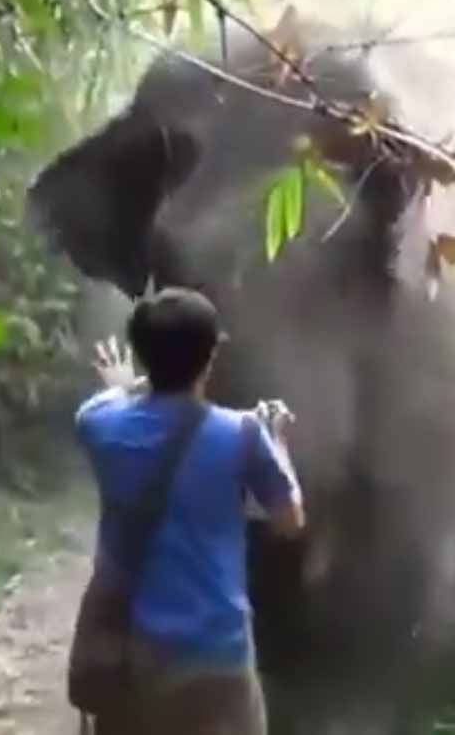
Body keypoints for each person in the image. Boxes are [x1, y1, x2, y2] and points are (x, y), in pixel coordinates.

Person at [75, 286, 305, 735]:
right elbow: (289, 520)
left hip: (132, 655)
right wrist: (276, 439)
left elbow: (123, 404)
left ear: (141, 355)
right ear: (211, 358)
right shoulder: (242, 435)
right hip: (218, 653)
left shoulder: (97, 423)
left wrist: (132, 382)